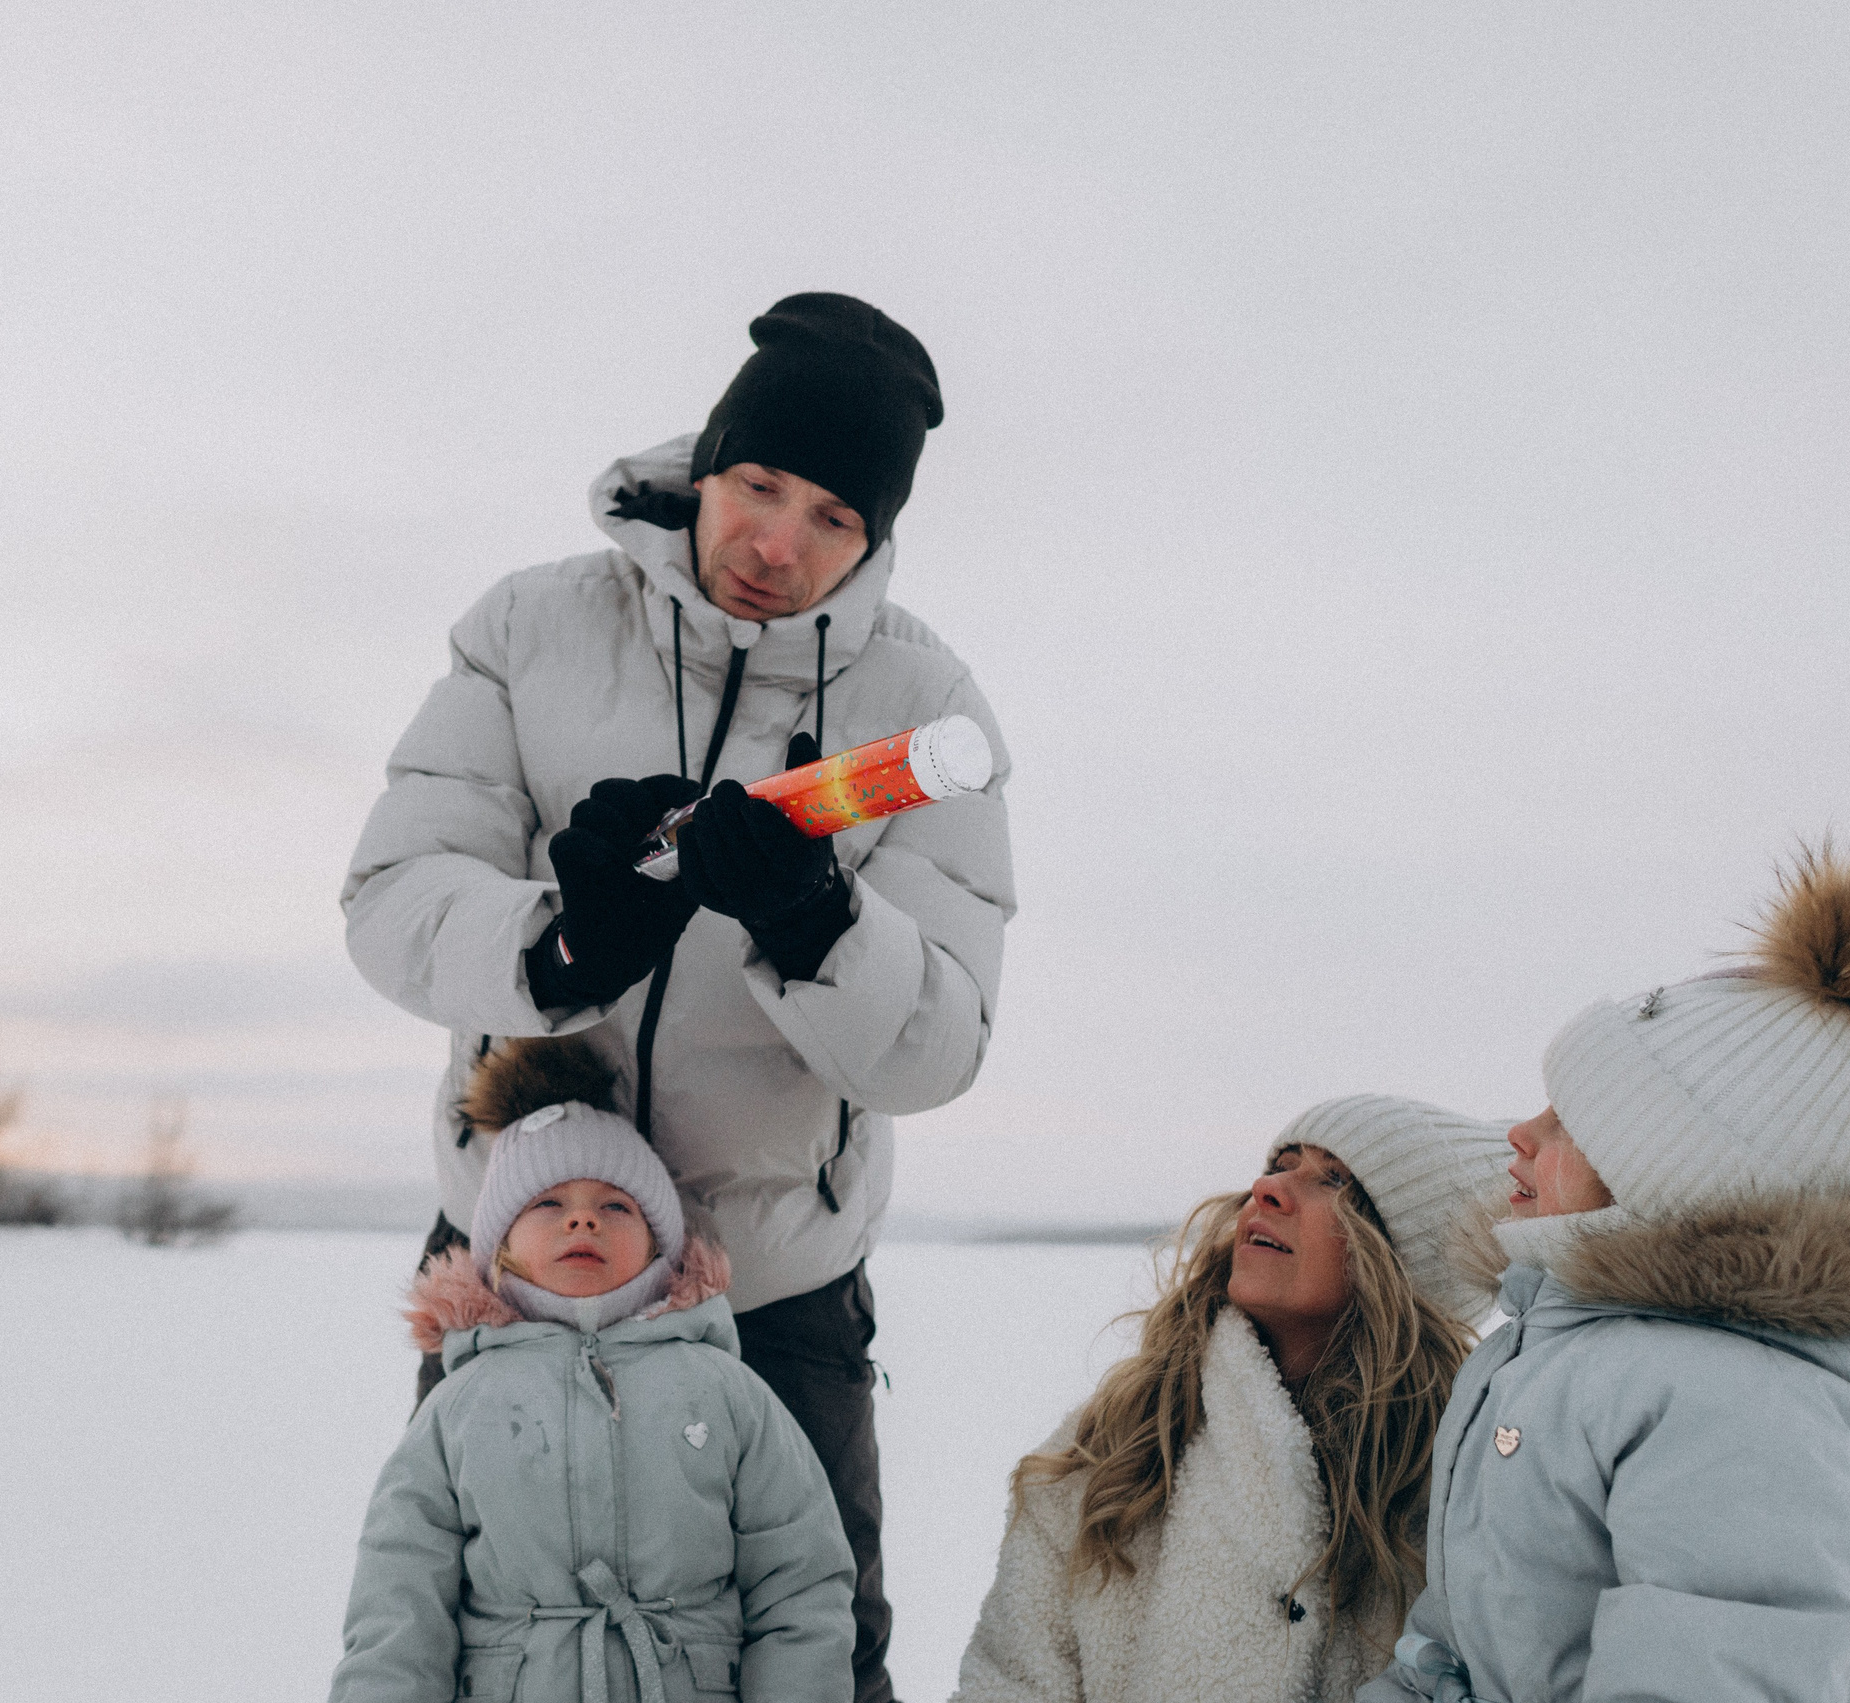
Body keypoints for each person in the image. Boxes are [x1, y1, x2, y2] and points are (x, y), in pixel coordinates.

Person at [342, 291, 1015, 1703]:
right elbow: (394, 898)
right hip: (528, 1262)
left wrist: (819, 918)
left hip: (776, 1286)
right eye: (761, 484)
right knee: (474, 1646)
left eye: (834, 515)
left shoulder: (925, 702)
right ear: (707, 461)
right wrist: (565, 944)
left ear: (878, 534)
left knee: (820, 1656)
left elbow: (940, 1043)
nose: (779, 542)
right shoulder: (530, 629)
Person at [1364, 844, 1850, 1703]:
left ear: (1670, 1167)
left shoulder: (1739, 1394)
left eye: (1569, 1120)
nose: (1520, 1132)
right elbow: (1461, 1642)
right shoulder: (1564, 1342)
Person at [329, 1037, 856, 1703]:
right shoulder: (459, 1404)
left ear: (661, 1245)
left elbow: (801, 1585)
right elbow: (396, 1605)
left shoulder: (728, 1393)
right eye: (547, 1203)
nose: (583, 1216)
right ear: (501, 1245)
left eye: (616, 1205)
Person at [952, 1095, 1513, 1702]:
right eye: (1281, 1163)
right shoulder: (1113, 1451)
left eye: (1333, 1180)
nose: (1266, 1188)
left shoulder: (1462, 1493)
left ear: (1405, 1264)